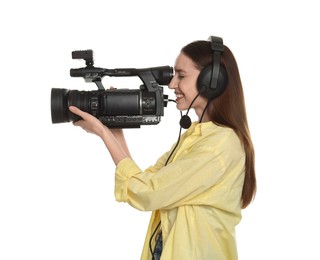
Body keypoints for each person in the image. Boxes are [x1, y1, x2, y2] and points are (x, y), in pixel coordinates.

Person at [69, 36, 256, 260]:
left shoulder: (220, 145)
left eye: (181, 76)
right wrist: (115, 132)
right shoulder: (196, 136)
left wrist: (102, 133)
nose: (172, 84)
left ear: (212, 80)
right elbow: (144, 181)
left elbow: (148, 193)